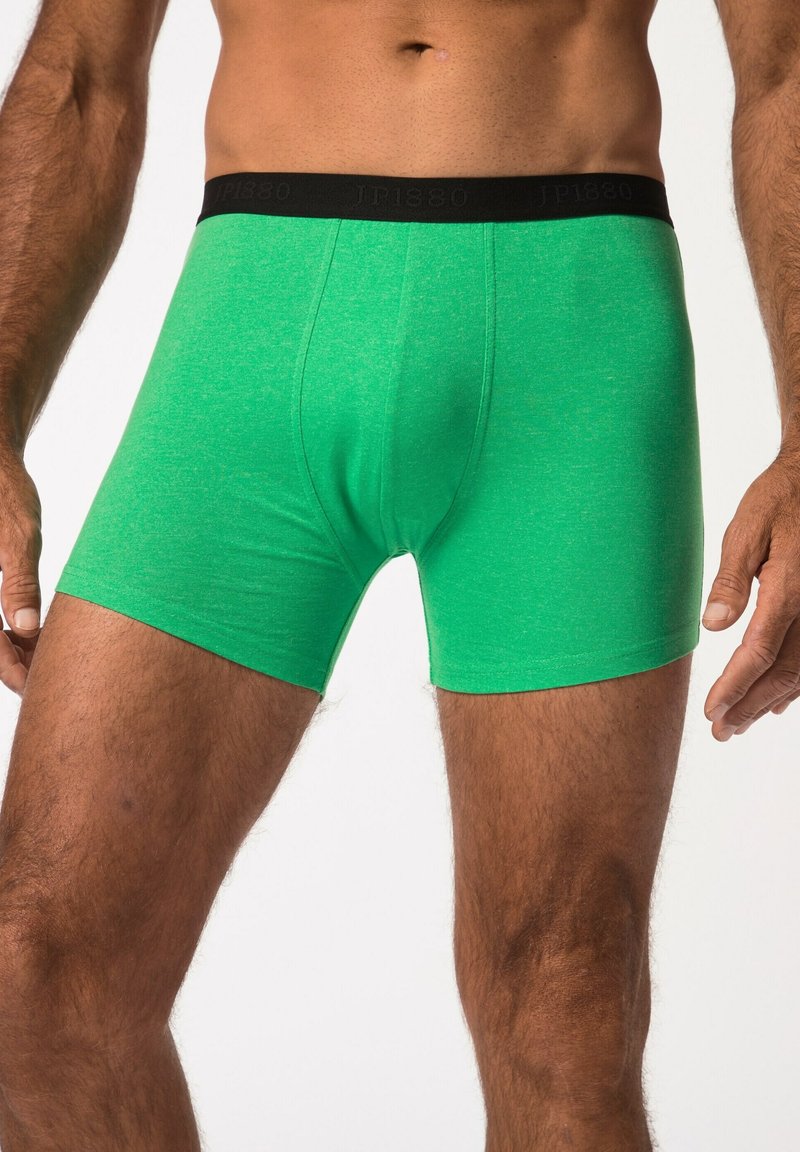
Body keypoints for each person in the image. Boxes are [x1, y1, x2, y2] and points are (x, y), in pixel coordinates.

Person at [0, 0, 799, 1147]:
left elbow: (781, 65)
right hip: (255, 318)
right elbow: (80, 71)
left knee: (566, 1012)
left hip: (570, 329)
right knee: (36, 973)